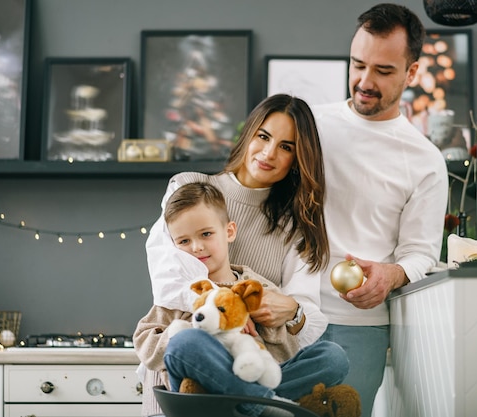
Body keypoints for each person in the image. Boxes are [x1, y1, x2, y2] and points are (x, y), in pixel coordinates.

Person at [135, 94, 352, 417]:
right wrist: (230, 308)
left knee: (333, 357)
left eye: (286, 146)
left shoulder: (295, 226)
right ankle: (263, 403)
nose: (268, 153)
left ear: (298, 158)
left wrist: (289, 309)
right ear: (248, 134)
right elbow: (168, 275)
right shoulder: (190, 188)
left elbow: (303, 317)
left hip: (253, 363)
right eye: (263, 136)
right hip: (195, 361)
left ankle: (255, 401)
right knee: (186, 345)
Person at [312, 4, 449, 417]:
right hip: (284, 316)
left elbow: (421, 253)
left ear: (411, 73)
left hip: (359, 330)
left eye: (384, 71)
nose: (365, 81)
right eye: (357, 65)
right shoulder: (308, 125)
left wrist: (391, 274)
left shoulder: (425, 160)